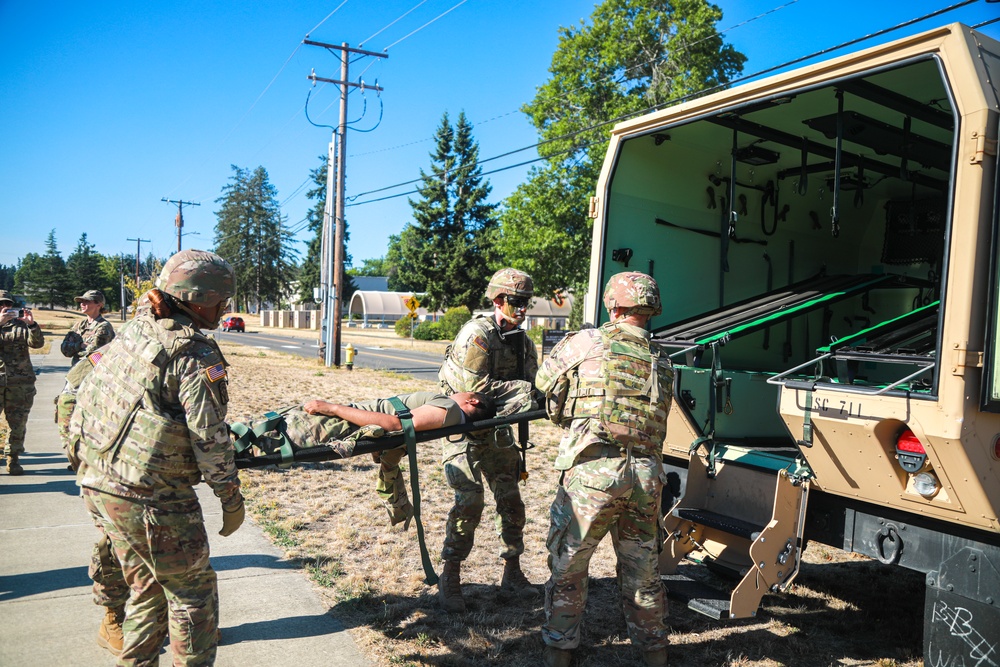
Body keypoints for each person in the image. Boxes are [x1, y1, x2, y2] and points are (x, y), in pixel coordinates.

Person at [69, 249, 244, 665]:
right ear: (198, 298)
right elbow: (209, 437)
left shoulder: (136, 329)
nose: (224, 308)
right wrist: (230, 497)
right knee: (192, 596)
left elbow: (76, 386)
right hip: (152, 498)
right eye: (221, 299)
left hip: (101, 481)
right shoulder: (193, 352)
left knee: (147, 589)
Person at [535, 272, 674, 667]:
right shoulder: (662, 358)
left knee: (569, 564)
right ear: (650, 309)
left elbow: (544, 381)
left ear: (614, 305)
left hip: (596, 473)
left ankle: (559, 652)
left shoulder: (590, 340)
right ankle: (655, 655)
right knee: (642, 570)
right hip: (647, 476)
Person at [436, 267, 540, 612]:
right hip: (461, 427)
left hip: (497, 431)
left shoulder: (523, 342)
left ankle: (512, 572)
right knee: (470, 501)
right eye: (516, 301)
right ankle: (449, 576)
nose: (523, 307)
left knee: (511, 501)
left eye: (526, 301)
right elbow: (475, 391)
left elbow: (533, 388)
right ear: (498, 300)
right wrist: (526, 392)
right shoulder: (476, 335)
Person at [239, 391, 496, 527]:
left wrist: (332, 408)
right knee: (254, 436)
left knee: (254, 441)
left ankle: (206, 450)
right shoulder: (449, 415)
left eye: (464, 392)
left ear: (471, 399)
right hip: (341, 422)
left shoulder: (450, 409)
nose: (457, 392)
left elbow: (397, 424)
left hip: (339, 422)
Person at [0, 291, 43, 475]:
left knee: (17, 423)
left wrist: (32, 324)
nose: (4, 307)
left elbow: (37, 344)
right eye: (0, 304)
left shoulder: (22, 325)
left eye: (7, 304)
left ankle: (13, 459)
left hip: (20, 382)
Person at [61, 289, 115, 366]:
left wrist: (74, 347)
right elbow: (65, 349)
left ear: (99, 305)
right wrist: (81, 345)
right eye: (81, 301)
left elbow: (94, 353)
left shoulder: (104, 326)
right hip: (76, 373)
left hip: (93, 374)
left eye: (87, 301)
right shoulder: (79, 325)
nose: (82, 304)